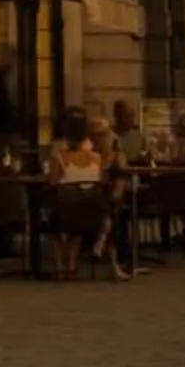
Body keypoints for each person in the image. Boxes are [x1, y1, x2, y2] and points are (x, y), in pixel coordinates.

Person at [45, 107, 123, 280]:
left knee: (57, 220)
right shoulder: (96, 157)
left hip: (67, 214)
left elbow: (52, 181)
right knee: (78, 215)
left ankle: (59, 268)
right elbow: (102, 180)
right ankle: (73, 267)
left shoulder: (61, 156)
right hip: (93, 214)